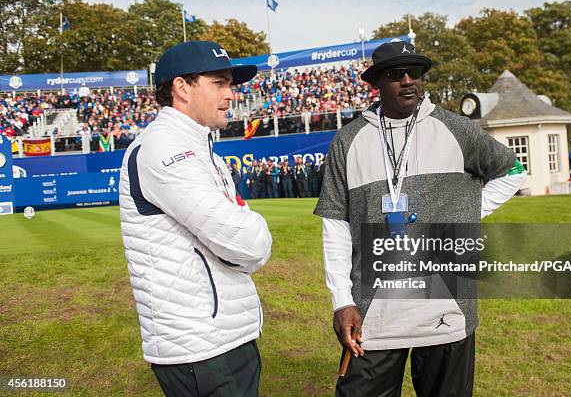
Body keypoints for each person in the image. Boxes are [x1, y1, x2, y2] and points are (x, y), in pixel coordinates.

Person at [314, 41, 527, 397]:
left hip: (446, 307)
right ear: (377, 82)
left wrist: (467, 213)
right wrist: (341, 300)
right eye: (397, 74)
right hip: (375, 311)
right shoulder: (347, 140)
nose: (409, 80)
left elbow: (514, 170)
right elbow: (335, 225)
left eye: (416, 72)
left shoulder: (455, 128)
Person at [119, 41, 272, 397]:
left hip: (218, 336)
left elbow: (233, 235)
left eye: (230, 84)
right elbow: (248, 242)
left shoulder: (200, 149)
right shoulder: (164, 147)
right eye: (219, 83)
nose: (231, 95)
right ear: (181, 87)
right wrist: (255, 236)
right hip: (203, 345)